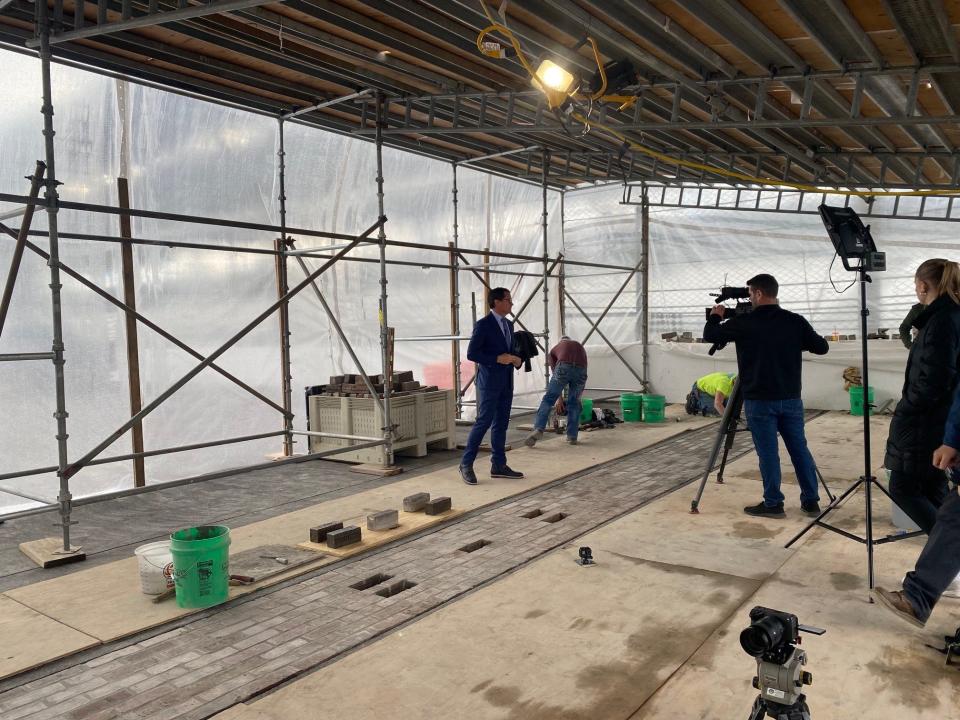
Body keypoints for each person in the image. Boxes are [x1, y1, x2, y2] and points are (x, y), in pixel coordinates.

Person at [703, 273, 829, 519]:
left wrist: (715, 316)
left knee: (768, 453)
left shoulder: (745, 323)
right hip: (791, 398)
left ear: (759, 293)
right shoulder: (795, 321)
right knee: (799, 449)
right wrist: (791, 343)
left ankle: (773, 504)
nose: (749, 298)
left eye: (750, 294)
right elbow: (821, 347)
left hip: (759, 400)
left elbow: (711, 335)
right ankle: (811, 502)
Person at [874, 381, 960, 627]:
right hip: (931, 426)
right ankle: (918, 596)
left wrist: (952, 439)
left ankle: (918, 597)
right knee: (950, 510)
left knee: (952, 516)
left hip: (924, 426)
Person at [885, 259, 960, 535]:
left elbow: (934, 380)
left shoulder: (940, 321)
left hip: (925, 422)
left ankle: (948, 548)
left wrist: (906, 408)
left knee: (903, 488)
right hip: (940, 419)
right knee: (932, 486)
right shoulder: (946, 315)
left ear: (923, 285)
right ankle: (945, 553)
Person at [459, 287, 524, 486]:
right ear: (496, 302)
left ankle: (498, 465)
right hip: (489, 382)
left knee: (502, 423)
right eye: (508, 300)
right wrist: (497, 358)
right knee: (484, 421)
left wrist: (516, 358)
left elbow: (508, 350)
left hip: (506, 380)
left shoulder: (509, 325)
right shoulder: (484, 325)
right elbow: (472, 354)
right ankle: (466, 464)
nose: (511, 303)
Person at [524, 336, 588, 447]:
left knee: (548, 399)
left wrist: (559, 399)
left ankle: (538, 429)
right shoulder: (579, 346)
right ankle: (572, 437)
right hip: (581, 369)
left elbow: (556, 373)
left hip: (564, 365)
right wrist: (578, 397)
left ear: (561, 341)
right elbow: (584, 369)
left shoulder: (555, 349)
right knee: (574, 403)